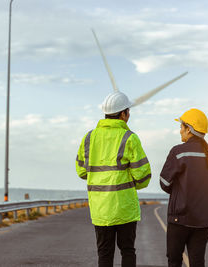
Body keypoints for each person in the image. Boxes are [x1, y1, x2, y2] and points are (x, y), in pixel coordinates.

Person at [76, 91, 151, 267]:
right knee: (127, 250)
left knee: (104, 253)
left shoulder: (89, 138)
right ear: (123, 114)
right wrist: (132, 183)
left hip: (100, 209)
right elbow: (143, 175)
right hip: (124, 209)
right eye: (128, 112)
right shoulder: (129, 137)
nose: (129, 115)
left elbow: (81, 171)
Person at [159, 108, 208, 267]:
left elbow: (164, 183)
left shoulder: (179, 152)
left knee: (174, 261)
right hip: (204, 219)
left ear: (189, 129)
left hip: (179, 218)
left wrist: (179, 193)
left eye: (181, 127)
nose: (180, 131)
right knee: (197, 262)